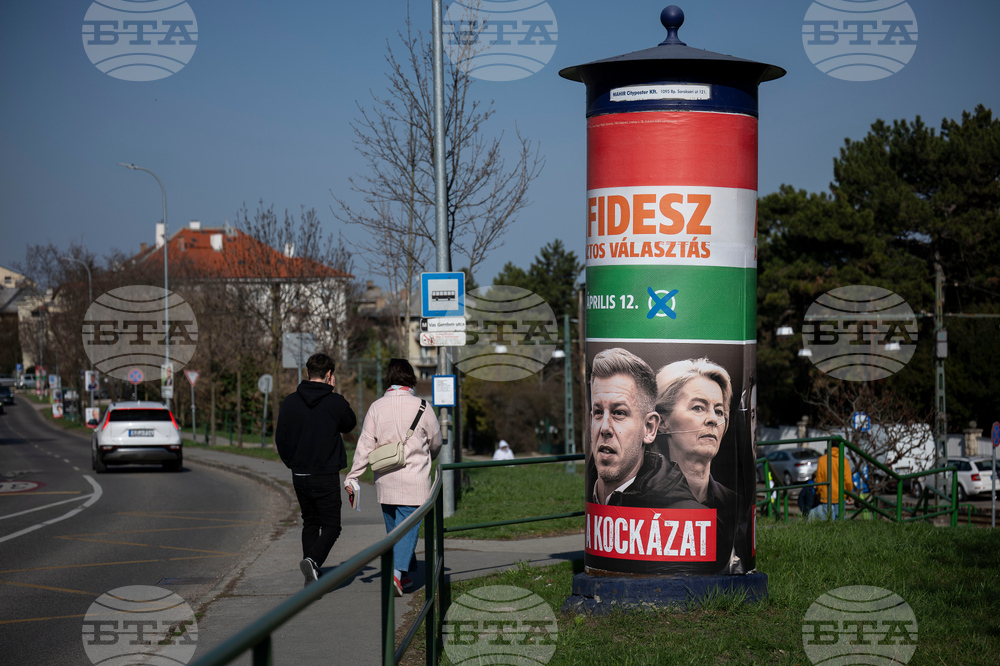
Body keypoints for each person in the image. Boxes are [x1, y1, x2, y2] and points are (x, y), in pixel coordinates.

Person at [345, 359, 441, 596]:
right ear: (411, 379)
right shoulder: (423, 406)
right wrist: (430, 455)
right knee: (407, 530)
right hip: (415, 481)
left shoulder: (376, 407)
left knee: (395, 533)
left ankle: (404, 576)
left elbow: (365, 446)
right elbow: (436, 442)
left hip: (385, 482)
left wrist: (353, 476)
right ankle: (395, 576)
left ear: (389, 378)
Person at [275, 353, 357, 586]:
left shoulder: (290, 401)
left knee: (310, 523)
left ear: (308, 373)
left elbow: (281, 439)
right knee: (332, 525)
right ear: (330, 375)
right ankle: (312, 561)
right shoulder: (335, 401)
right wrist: (334, 393)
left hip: (299, 474)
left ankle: (311, 577)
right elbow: (350, 423)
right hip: (325, 474)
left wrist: (292, 463)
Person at [585, 348, 701, 508]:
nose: (604, 428)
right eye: (598, 412)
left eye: (619, 413)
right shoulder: (588, 484)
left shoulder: (685, 511)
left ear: (649, 428)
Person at [654, 358, 737, 514]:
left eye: (719, 411)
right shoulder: (640, 497)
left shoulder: (734, 503)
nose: (713, 419)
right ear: (662, 422)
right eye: (698, 408)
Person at [810, 447, 854, 521]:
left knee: (827, 521)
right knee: (840, 520)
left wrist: (818, 493)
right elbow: (848, 481)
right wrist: (849, 495)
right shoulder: (844, 461)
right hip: (840, 495)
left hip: (826, 495)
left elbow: (819, 480)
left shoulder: (822, 460)